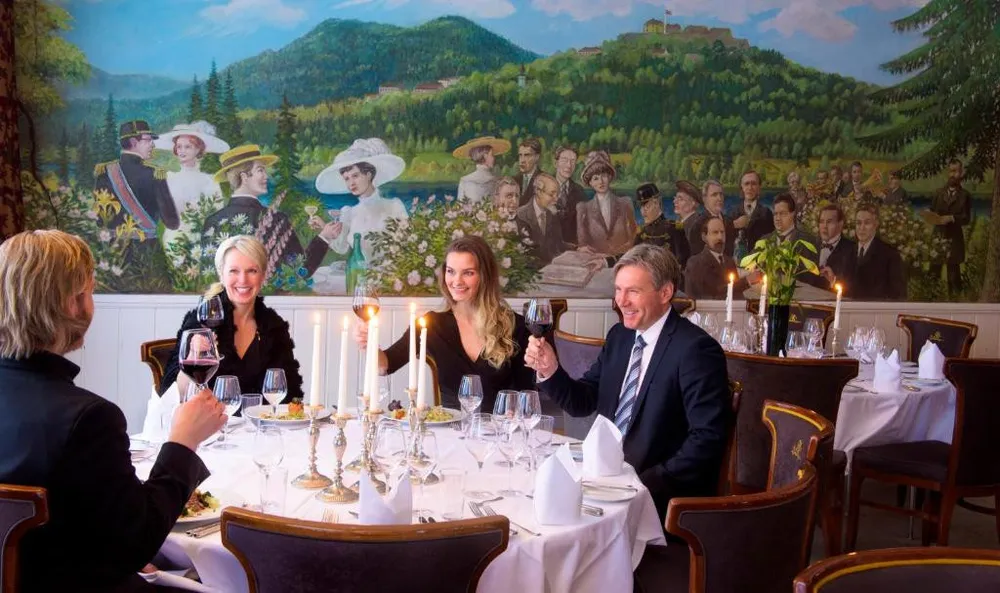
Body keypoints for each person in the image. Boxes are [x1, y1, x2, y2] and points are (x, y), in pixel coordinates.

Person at [0, 230, 224, 593]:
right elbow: (136, 544)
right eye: (89, 291)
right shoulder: (89, 419)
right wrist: (183, 443)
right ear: (73, 304)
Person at [525, 244, 730, 521]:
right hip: (605, 483)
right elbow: (582, 402)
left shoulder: (696, 349)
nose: (621, 301)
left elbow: (707, 439)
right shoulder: (620, 337)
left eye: (633, 291)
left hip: (659, 499)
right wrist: (550, 369)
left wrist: (643, 484)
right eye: (618, 290)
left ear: (665, 293)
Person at [355, 236, 535, 412]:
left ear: (485, 276)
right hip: (450, 428)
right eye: (451, 271)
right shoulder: (431, 325)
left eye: (468, 273)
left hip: (500, 428)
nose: (457, 281)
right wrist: (369, 343)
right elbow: (386, 365)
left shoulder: (515, 326)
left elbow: (528, 392)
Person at [160, 235, 305, 402]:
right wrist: (193, 355)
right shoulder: (201, 321)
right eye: (234, 271)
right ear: (221, 275)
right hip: (211, 418)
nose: (243, 280)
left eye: (252, 271)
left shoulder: (274, 326)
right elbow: (170, 395)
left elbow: (290, 393)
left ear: (263, 276)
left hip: (261, 419)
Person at [204, 144, 335, 280]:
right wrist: (324, 237)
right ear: (244, 177)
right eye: (260, 170)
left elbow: (208, 278)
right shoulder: (276, 220)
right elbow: (300, 271)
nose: (266, 176)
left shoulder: (212, 222)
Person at [316, 138, 409, 263]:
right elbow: (341, 248)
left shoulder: (394, 206)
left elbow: (407, 245)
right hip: (358, 271)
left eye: (355, 176)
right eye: (347, 179)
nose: (351, 183)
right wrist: (323, 227)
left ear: (369, 175)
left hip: (390, 272)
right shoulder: (349, 212)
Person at [154, 121, 230, 257]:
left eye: (187, 147)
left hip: (202, 240)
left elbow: (217, 212)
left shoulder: (210, 180)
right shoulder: (168, 178)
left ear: (199, 150)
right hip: (174, 240)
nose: (182, 151)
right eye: (179, 146)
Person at [94, 120, 180, 237]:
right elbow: (172, 223)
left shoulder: (104, 172)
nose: (153, 145)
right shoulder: (154, 174)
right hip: (147, 246)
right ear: (134, 142)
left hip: (112, 246)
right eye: (148, 140)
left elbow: (99, 221)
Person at [576, 150, 638, 258]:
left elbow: (634, 236)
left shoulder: (625, 203)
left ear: (609, 177)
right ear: (590, 183)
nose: (601, 182)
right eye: (595, 178)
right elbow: (583, 243)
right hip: (595, 261)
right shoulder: (583, 208)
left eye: (604, 176)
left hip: (623, 259)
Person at [684, 217, 756, 300]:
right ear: (704, 237)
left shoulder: (729, 262)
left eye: (722, 232)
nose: (720, 237)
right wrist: (746, 281)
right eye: (715, 232)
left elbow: (736, 294)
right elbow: (713, 293)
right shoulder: (695, 263)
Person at [928, 159, 972, 296]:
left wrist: (952, 218)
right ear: (948, 172)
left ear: (961, 173)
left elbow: (966, 218)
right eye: (951, 171)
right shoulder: (938, 193)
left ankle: (955, 301)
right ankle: (930, 300)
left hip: (954, 239)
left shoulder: (965, 195)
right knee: (933, 274)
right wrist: (930, 216)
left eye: (956, 171)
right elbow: (932, 211)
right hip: (938, 237)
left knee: (953, 276)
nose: (953, 174)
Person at [767, 193, 824, 288]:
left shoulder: (808, 241)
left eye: (783, 214)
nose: (777, 218)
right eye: (775, 214)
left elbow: (810, 279)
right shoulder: (765, 240)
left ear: (793, 214)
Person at [853, 204, 907, 300]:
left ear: (876, 224)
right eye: (858, 223)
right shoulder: (848, 250)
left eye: (867, 223)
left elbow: (898, 294)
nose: (862, 228)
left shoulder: (890, 255)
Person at [633, 182, 690, 269]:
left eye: (647, 206)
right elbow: (633, 259)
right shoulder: (641, 232)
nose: (643, 211)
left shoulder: (674, 229)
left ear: (656, 203)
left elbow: (682, 261)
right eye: (641, 207)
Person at [516, 172, 567, 265]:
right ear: (538, 192)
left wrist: (577, 248)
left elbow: (559, 244)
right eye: (551, 194)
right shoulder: (521, 216)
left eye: (557, 195)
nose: (556, 199)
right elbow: (525, 256)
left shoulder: (552, 214)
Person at [453, 136, 511, 204]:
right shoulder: (497, 181)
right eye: (492, 155)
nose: (494, 158)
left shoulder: (464, 180)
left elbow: (460, 205)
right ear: (485, 156)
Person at [816, 203, 857, 292]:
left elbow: (856, 288)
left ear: (840, 224)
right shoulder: (810, 245)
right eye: (821, 221)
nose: (824, 226)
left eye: (829, 222)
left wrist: (834, 280)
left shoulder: (852, 250)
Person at [552, 144, 587, 246]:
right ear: (556, 163)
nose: (569, 165)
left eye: (573, 161)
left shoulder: (580, 192)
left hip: (573, 248)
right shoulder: (543, 187)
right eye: (565, 160)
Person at [691, 179, 735, 257]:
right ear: (704, 199)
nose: (719, 198)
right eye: (714, 195)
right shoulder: (698, 225)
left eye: (721, 194)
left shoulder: (729, 221)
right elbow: (697, 258)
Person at [733, 170, 774, 251]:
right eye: (746, 184)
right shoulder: (734, 213)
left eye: (754, 184)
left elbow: (771, 241)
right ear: (742, 187)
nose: (750, 188)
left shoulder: (766, 213)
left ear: (759, 187)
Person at [673, 180, 703, 250]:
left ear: (693, 203)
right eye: (675, 198)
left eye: (680, 199)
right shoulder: (679, 222)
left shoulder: (696, 226)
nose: (674, 201)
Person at [514, 138, 544, 206]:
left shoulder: (545, 181)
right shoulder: (514, 180)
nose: (522, 160)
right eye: (520, 155)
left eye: (527, 155)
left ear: (537, 157)